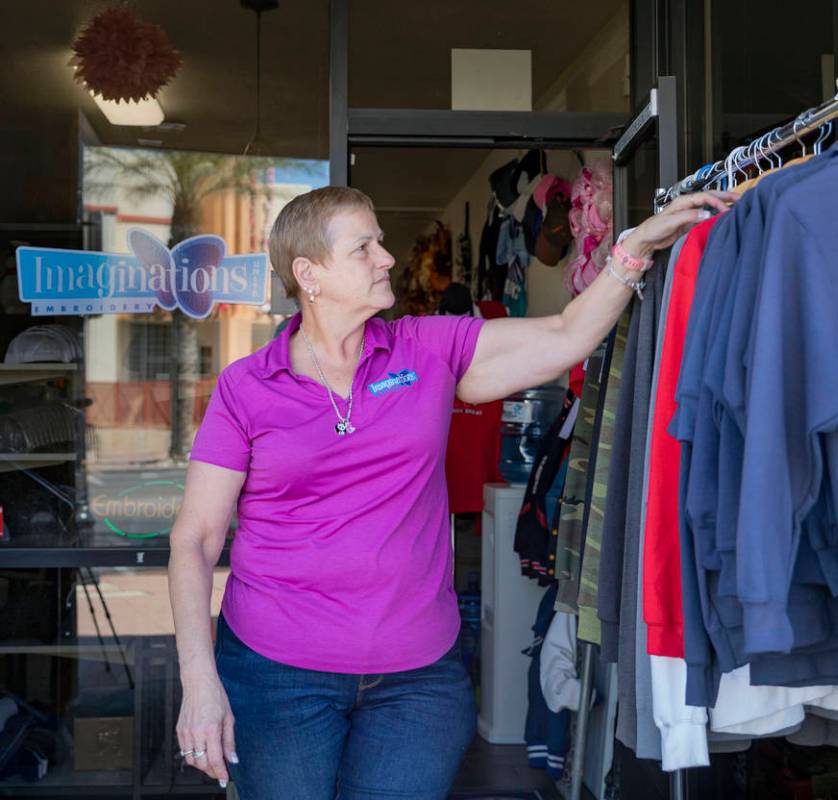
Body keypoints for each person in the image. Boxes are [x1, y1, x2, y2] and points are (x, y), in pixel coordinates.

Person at [168, 185, 733, 800]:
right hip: (277, 675)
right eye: (364, 248)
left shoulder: (423, 347)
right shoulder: (247, 387)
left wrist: (633, 251)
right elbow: (195, 539)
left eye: (380, 242)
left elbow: (566, 335)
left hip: (417, 681)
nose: (386, 257)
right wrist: (199, 680)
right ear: (310, 274)